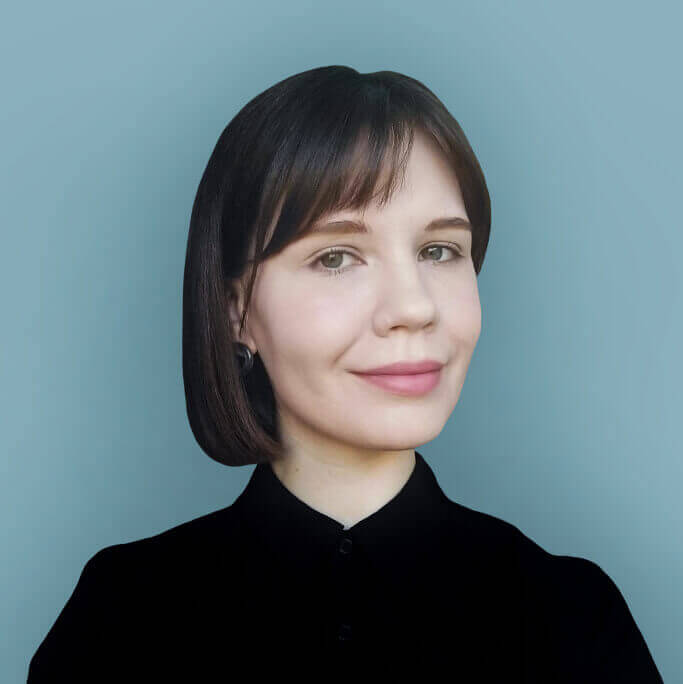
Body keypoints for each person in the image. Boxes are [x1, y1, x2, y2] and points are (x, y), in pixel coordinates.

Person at [27, 65, 663, 682]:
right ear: (236, 311)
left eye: (439, 250)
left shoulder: (572, 617)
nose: (413, 307)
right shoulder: (121, 619)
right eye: (336, 257)